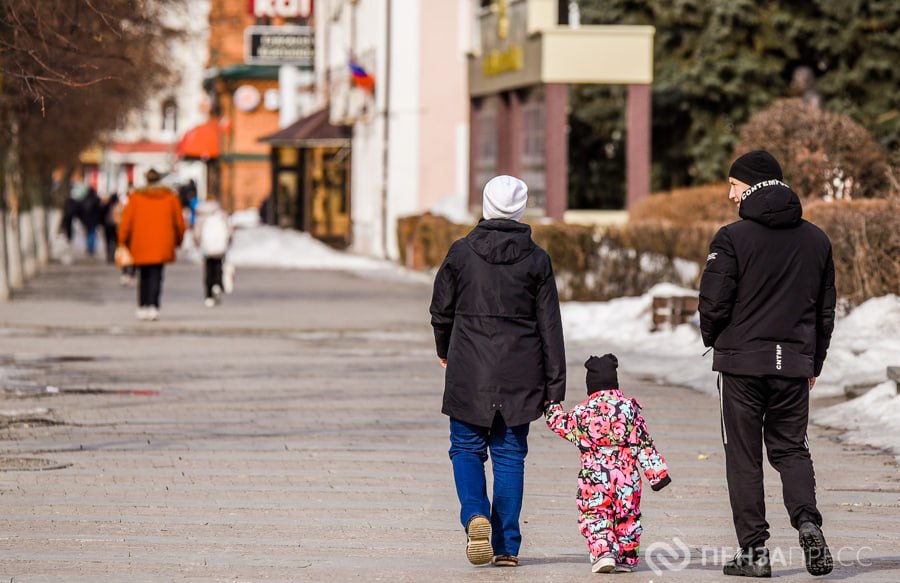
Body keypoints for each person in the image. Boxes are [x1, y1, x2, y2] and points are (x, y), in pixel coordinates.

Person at [698, 150, 836, 577]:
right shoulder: (816, 240)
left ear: (753, 186)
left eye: (734, 186)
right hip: (793, 363)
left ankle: (754, 551)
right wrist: (813, 361)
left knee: (743, 456)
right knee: (792, 448)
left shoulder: (732, 238)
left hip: (742, 364)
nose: (729, 195)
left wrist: (715, 340)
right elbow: (825, 311)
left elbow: (713, 301)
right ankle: (808, 521)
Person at [429, 175, 566, 568]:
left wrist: (445, 349)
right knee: (509, 456)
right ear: (521, 209)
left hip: (469, 369)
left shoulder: (461, 253)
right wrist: (554, 386)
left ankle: (475, 514)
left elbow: (441, 310)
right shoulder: (537, 259)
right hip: (521, 373)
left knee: (466, 449)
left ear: (486, 205)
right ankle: (506, 546)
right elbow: (550, 326)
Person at [545, 354, 671, 574]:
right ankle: (626, 558)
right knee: (628, 516)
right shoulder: (629, 409)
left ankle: (603, 553)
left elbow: (559, 423)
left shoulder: (581, 412)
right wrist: (657, 474)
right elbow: (643, 443)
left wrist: (551, 405)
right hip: (627, 478)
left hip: (594, 478)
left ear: (590, 385)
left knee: (595, 513)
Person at [118, 168, 186, 321]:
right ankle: (153, 306)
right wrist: (178, 240)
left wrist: (122, 241)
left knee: (143, 275)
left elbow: (126, 223)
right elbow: (179, 223)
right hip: (162, 242)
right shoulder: (170, 198)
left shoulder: (135, 198)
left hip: (140, 242)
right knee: (157, 274)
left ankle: (143, 305)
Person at [193, 194, 231, 307]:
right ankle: (218, 285)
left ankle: (209, 295)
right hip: (220, 247)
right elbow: (229, 230)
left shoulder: (201, 214)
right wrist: (228, 243)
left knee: (208, 270)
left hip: (207, 248)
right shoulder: (221, 214)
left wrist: (198, 243)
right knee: (218, 267)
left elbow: (197, 233)